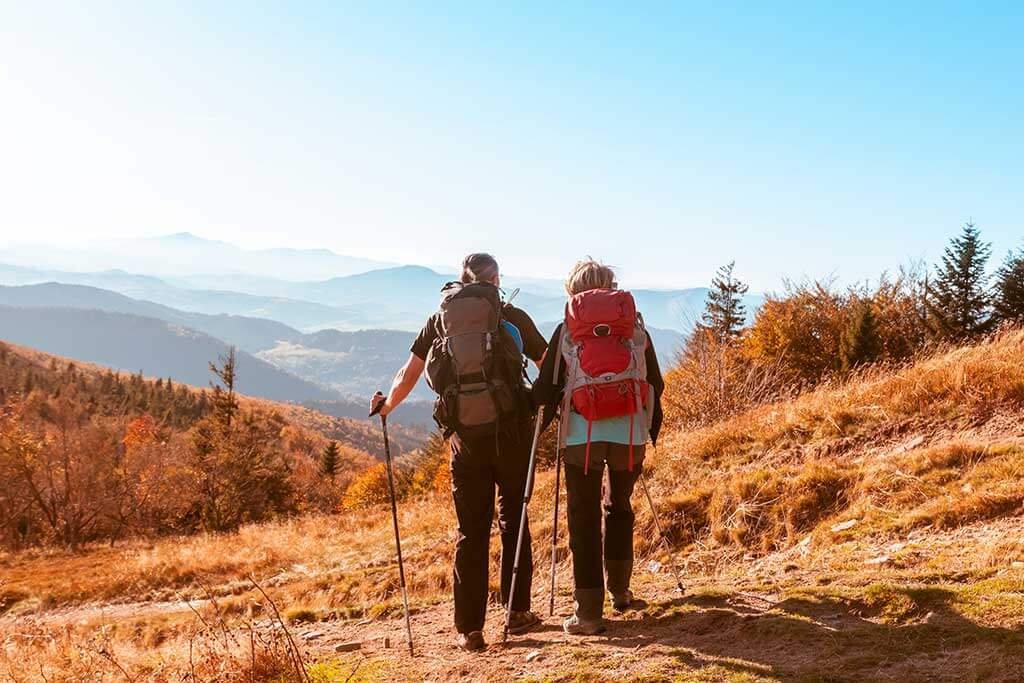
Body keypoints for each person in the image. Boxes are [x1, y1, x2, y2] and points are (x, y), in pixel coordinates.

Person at [370, 253, 547, 652]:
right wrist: (544, 402)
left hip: (464, 440)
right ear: (496, 280)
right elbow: (548, 363)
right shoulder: (511, 315)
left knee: (471, 530)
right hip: (512, 435)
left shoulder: (440, 320)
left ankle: (470, 628)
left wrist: (387, 407)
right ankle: (517, 612)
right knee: (513, 520)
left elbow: (410, 372)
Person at [533, 259, 665, 635]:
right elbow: (656, 381)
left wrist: (541, 421)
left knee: (584, 517)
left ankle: (588, 612)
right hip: (629, 434)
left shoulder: (567, 331)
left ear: (573, 292)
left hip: (581, 437)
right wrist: (647, 425)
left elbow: (545, 390)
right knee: (620, 507)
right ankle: (621, 591)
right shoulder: (634, 330)